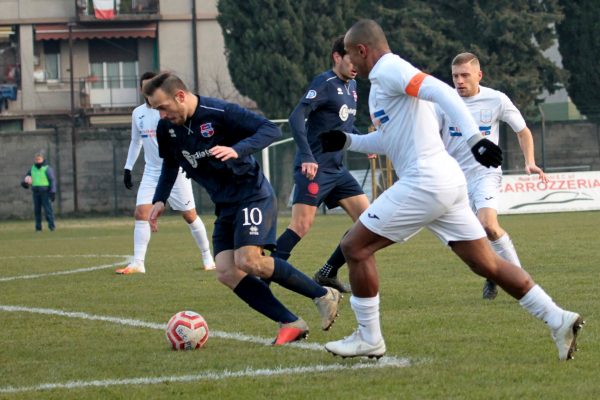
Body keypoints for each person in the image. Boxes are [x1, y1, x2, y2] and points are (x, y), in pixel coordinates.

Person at [321, 19, 583, 361]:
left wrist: (475, 139)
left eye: (351, 57)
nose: (350, 65)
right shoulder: (390, 82)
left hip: (425, 181)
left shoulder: (389, 69)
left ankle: (370, 337)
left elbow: (442, 91)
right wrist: (349, 140)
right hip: (445, 181)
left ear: (362, 50)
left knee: (354, 247)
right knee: (487, 263)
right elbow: (392, 139)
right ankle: (558, 318)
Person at [142, 72, 341, 344]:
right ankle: (290, 322)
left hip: (251, 194)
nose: (161, 115)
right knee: (225, 270)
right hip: (224, 203)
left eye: (162, 107)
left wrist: (238, 149)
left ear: (180, 96)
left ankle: (322, 294)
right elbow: (170, 163)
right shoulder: (167, 129)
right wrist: (159, 199)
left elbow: (271, 129)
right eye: (155, 110)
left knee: (248, 261)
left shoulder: (219, 112)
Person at [438, 52, 548, 299]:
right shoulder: (443, 101)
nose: (459, 81)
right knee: (472, 239)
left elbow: (522, 131)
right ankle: (493, 273)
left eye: (465, 75)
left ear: (479, 75)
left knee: (489, 225)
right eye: (455, 76)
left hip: (484, 174)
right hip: (453, 180)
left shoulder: (496, 99)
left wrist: (529, 161)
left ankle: (521, 281)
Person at [273, 35, 370, 293]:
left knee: (368, 221)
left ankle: (328, 272)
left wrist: (366, 143)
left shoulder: (352, 87)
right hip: (314, 168)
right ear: (337, 57)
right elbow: (296, 117)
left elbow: (345, 127)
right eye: (351, 60)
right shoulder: (324, 82)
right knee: (301, 225)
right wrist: (307, 156)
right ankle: (266, 273)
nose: (356, 66)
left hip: (337, 169)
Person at [116, 71, 215, 275]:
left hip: (175, 170)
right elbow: (136, 142)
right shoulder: (138, 114)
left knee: (189, 216)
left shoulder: (169, 112)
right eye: (145, 88)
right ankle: (138, 262)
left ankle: (207, 257)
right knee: (140, 213)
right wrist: (128, 167)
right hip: (151, 171)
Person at [21, 153, 56, 232]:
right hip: (36, 192)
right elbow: (27, 178)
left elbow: (52, 180)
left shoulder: (47, 168)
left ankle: (51, 227)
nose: (38, 161)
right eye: (36, 159)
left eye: (39, 159)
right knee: (37, 211)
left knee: (48, 210)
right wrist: (24, 183)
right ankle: (38, 228)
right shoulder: (32, 168)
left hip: (45, 192)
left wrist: (53, 192)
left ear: (42, 159)